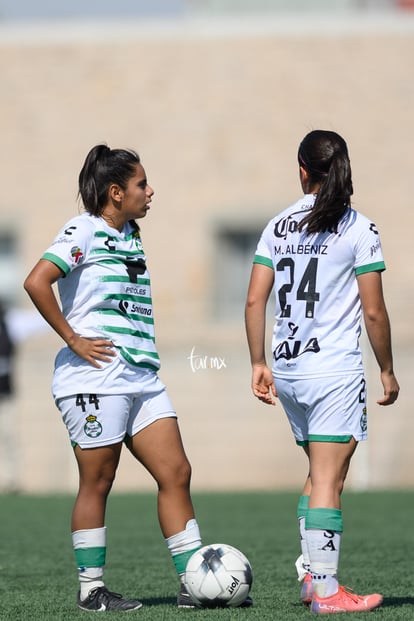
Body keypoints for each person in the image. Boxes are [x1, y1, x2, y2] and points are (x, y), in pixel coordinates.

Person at [23, 144, 205, 612]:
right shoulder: (82, 229)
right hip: (95, 378)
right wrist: (73, 338)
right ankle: (91, 591)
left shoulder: (131, 236)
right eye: (142, 184)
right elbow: (36, 281)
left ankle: (194, 583)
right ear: (116, 192)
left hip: (142, 377)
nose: (150, 191)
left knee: (177, 472)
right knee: (98, 482)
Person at [245, 130, 399, 614]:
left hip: (289, 369)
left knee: (322, 472)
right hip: (332, 370)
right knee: (330, 479)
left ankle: (313, 577)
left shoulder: (277, 225)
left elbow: (254, 299)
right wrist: (388, 370)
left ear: (302, 168)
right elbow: (374, 312)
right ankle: (327, 591)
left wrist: (257, 362)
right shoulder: (359, 227)